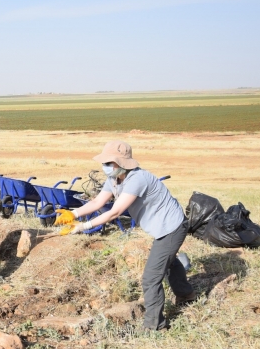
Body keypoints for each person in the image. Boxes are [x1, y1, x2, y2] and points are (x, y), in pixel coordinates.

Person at [61, 140, 196, 331]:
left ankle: (154, 325)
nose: (105, 167)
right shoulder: (115, 179)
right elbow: (98, 201)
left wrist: (83, 226)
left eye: (109, 163)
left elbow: (115, 212)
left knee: (151, 277)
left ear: (122, 163)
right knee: (169, 262)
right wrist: (73, 214)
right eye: (104, 163)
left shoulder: (137, 179)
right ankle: (186, 294)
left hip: (172, 228)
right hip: (162, 228)